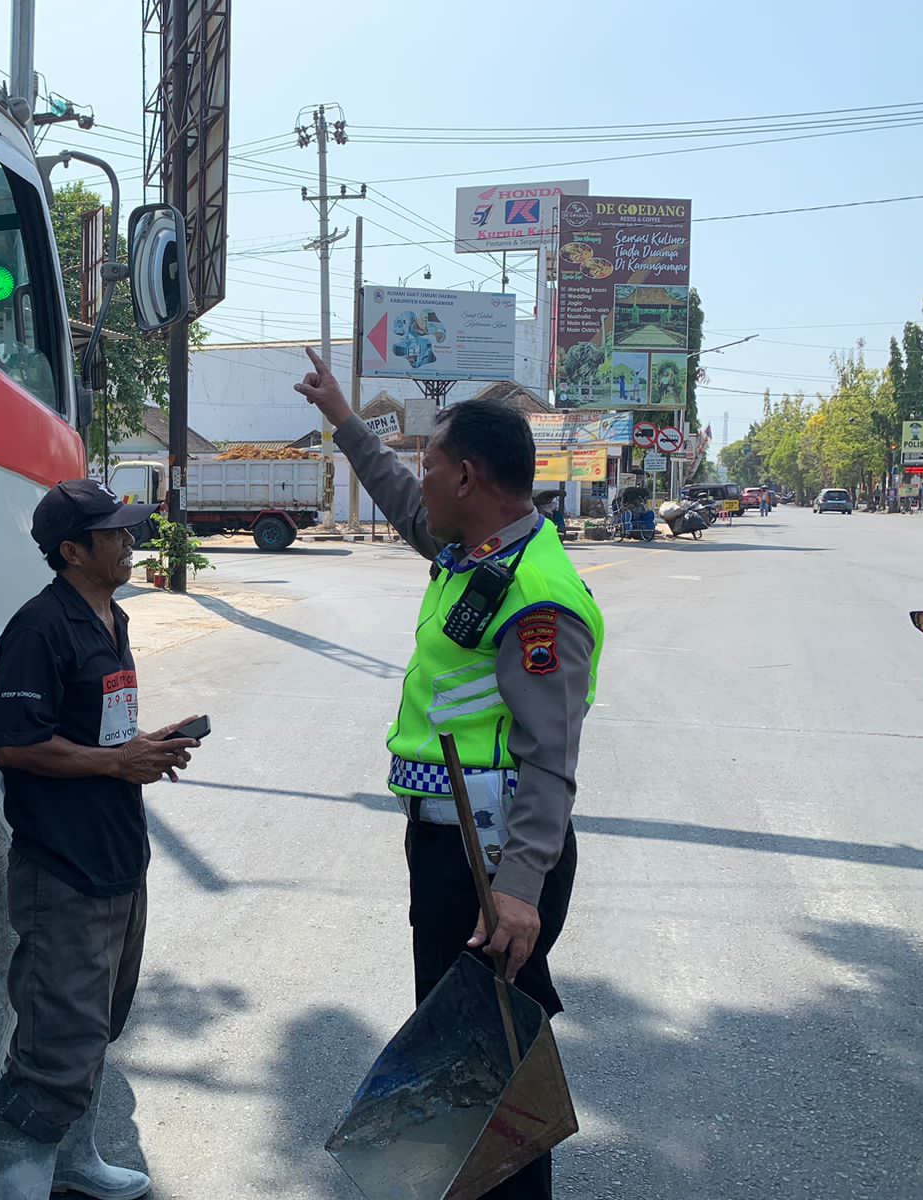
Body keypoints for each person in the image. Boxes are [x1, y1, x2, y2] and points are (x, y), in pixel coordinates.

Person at [295, 348, 603, 1200]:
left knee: (495, 1061)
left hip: (494, 860)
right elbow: (398, 499)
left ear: (467, 476)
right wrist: (345, 422)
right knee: (461, 1046)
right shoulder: (478, 553)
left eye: (429, 459)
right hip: (449, 847)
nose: (418, 474)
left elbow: (550, 762)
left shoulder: (535, 596)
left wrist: (519, 890)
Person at [0, 478, 204, 1200]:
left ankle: (73, 1162)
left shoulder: (111, 617)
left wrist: (143, 746)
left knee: (98, 1026)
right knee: (55, 1044)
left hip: (117, 855)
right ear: (72, 551)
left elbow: (97, 730)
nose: (129, 541)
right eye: (114, 533)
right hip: (62, 866)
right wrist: (116, 762)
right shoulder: (37, 628)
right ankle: (14, 1181)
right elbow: (16, 745)